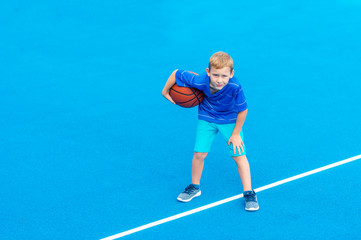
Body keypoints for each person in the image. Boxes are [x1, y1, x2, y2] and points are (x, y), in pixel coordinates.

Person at [162, 52, 259, 211]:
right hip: (206, 117)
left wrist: (235, 134)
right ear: (208, 72)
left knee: (239, 154)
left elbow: (243, 110)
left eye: (224, 76)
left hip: (229, 120)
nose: (219, 80)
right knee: (199, 154)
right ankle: (194, 187)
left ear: (231, 74)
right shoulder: (199, 79)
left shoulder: (235, 86)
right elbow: (176, 73)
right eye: (215, 75)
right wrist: (165, 91)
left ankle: (249, 192)